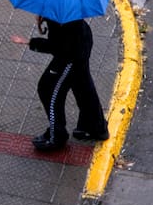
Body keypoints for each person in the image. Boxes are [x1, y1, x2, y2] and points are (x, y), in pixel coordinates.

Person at [11, 16, 109, 151]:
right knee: (82, 85)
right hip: (82, 40)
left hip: (70, 54)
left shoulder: (56, 16)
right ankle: (95, 127)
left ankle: (56, 136)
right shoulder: (63, 9)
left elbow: (57, 46)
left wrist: (30, 42)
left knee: (48, 88)